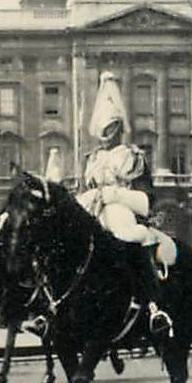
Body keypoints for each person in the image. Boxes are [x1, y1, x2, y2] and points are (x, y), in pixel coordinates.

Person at [76, 72, 172, 337]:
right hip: (92, 207)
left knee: (133, 236)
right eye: (103, 130)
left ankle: (153, 305)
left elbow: (145, 197)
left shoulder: (132, 157)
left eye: (111, 128)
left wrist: (114, 195)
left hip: (121, 209)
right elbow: (86, 188)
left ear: (119, 127)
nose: (107, 135)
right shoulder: (92, 158)